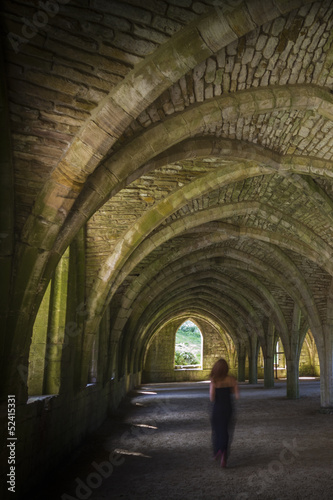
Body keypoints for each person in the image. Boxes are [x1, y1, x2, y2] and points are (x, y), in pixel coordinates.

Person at [210, 358, 239, 468]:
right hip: (228, 408)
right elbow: (237, 396)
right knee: (226, 431)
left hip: (217, 408)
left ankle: (218, 450)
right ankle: (224, 455)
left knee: (217, 431)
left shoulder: (214, 380)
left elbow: (212, 398)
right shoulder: (232, 380)